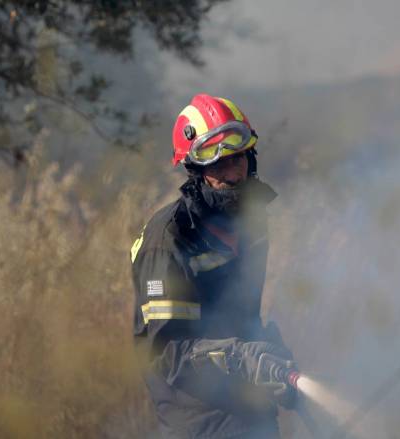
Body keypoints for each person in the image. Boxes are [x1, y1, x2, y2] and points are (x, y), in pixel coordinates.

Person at [130, 94, 296, 438]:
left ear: (250, 160)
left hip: (250, 409)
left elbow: (241, 316)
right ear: (196, 170)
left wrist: (270, 357)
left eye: (236, 160)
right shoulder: (170, 239)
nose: (231, 175)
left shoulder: (250, 224)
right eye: (217, 165)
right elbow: (170, 352)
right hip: (198, 421)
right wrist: (241, 358)